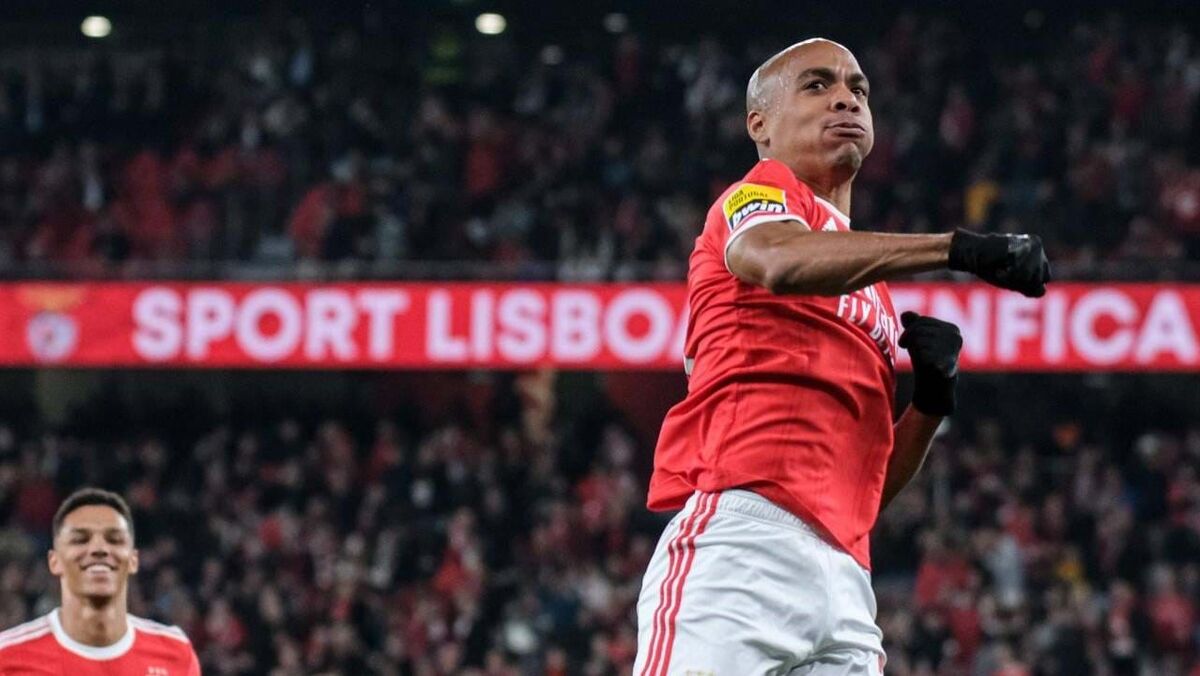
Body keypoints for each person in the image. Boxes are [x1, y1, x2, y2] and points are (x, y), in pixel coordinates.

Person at [634, 38, 1049, 675]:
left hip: (846, 578)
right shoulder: (753, 199)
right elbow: (778, 260)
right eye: (817, 85)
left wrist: (929, 405)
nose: (845, 99)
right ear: (759, 125)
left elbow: (867, 490)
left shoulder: (867, 283)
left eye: (858, 89)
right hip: (742, 545)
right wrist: (957, 249)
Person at [0, 488, 200, 675]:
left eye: (114, 539)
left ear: (133, 560)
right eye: (80, 539)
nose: (99, 549)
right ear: (55, 561)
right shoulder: (8, 656)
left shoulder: (176, 652)